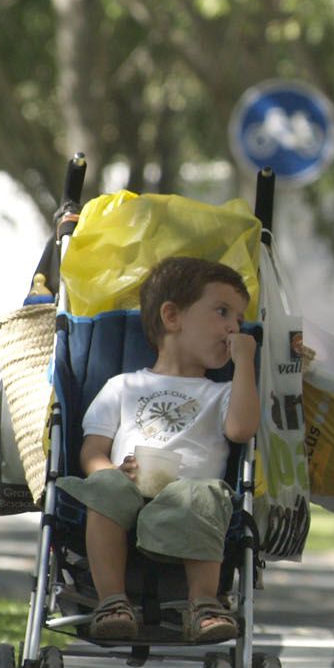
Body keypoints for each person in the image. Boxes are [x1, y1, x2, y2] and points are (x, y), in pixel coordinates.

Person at [56, 257, 260, 644]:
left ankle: (204, 604)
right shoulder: (123, 386)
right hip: (128, 487)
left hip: (189, 496)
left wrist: (245, 363)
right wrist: (108, 472)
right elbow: (92, 451)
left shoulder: (223, 392)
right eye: (222, 312)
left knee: (201, 494)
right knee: (102, 488)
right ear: (172, 316)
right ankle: (112, 602)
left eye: (239, 317)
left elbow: (241, 429)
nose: (235, 326)